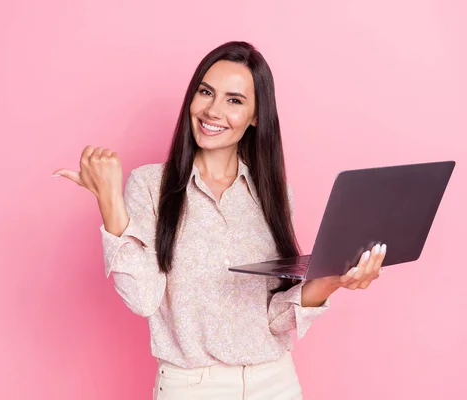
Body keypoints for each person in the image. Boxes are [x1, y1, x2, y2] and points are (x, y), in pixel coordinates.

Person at [53, 41, 386, 400]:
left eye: (234, 100)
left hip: (275, 382)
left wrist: (333, 279)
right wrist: (109, 200)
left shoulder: (274, 194)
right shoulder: (150, 185)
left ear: (257, 115)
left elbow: (274, 318)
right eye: (206, 92)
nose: (213, 111)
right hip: (192, 387)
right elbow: (143, 298)